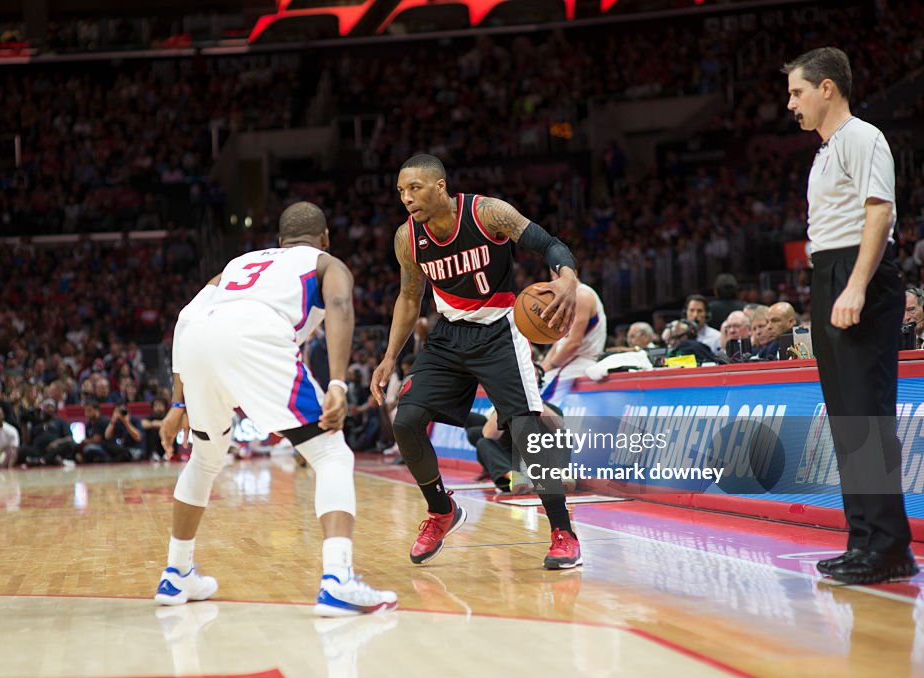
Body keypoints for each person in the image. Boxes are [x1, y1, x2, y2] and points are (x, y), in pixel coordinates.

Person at [156, 201, 397, 615]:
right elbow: (340, 306)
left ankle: (176, 574)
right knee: (331, 452)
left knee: (204, 459)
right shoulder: (326, 262)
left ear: (279, 241)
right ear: (324, 237)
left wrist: (178, 401)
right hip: (254, 333)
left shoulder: (237, 264)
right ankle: (338, 579)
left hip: (196, 339)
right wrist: (337, 382)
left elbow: (186, 316)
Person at [370, 154, 583, 570]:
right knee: (405, 421)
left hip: (502, 329)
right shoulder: (407, 238)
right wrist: (389, 356)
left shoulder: (487, 213)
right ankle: (441, 510)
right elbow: (410, 297)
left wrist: (568, 277)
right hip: (449, 334)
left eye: (414, 188)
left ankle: (563, 533)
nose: (406, 198)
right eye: (400, 191)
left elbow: (548, 244)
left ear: (440, 186)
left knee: (525, 428)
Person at [785, 46, 916, 584]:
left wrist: (856, 286)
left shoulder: (863, 137)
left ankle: (889, 547)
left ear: (827, 89)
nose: (789, 103)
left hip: (856, 277)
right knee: (846, 422)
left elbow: (879, 210)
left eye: (796, 91)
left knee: (865, 419)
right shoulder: (825, 151)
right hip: (829, 275)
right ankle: (863, 539)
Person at [539, 279, 607, 407]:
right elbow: (558, 343)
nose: (555, 278)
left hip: (580, 359)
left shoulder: (582, 295)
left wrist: (548, 368)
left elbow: (573, 344)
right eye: (552, 273)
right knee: (532, 386)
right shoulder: (566, 298)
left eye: (559, 273)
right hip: (566, 361)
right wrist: (542, 367)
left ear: (573, 273)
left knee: (537, 402)